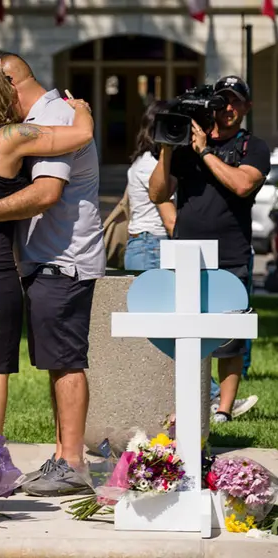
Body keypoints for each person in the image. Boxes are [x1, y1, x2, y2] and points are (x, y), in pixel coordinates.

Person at [0, 54, 104, 497]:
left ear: (10, 85)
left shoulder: (54, 116)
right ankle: (63, 457)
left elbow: (45, 193)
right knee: (56, 362)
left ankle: (72, 462)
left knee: (65, 360)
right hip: (45, 258)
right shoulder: (42, 117)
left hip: (64, 257)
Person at [149, 75, 267, 424]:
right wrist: (168, 147)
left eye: (235, 101)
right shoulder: (187, 145)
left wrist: (205, 152)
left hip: (230, 253)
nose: (227, 108)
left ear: (246, 107)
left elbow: (243, 184)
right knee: (184, 334)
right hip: (185, 255)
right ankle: (186, 401)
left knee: (230, 338)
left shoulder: (252, 147)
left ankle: (223, 410)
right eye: (222, 101)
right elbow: (158, 194)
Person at [124, 101, 177, 270]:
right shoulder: (151, 165)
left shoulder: (145, 160)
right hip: (153, 246)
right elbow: (170, 220)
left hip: (149, 245)